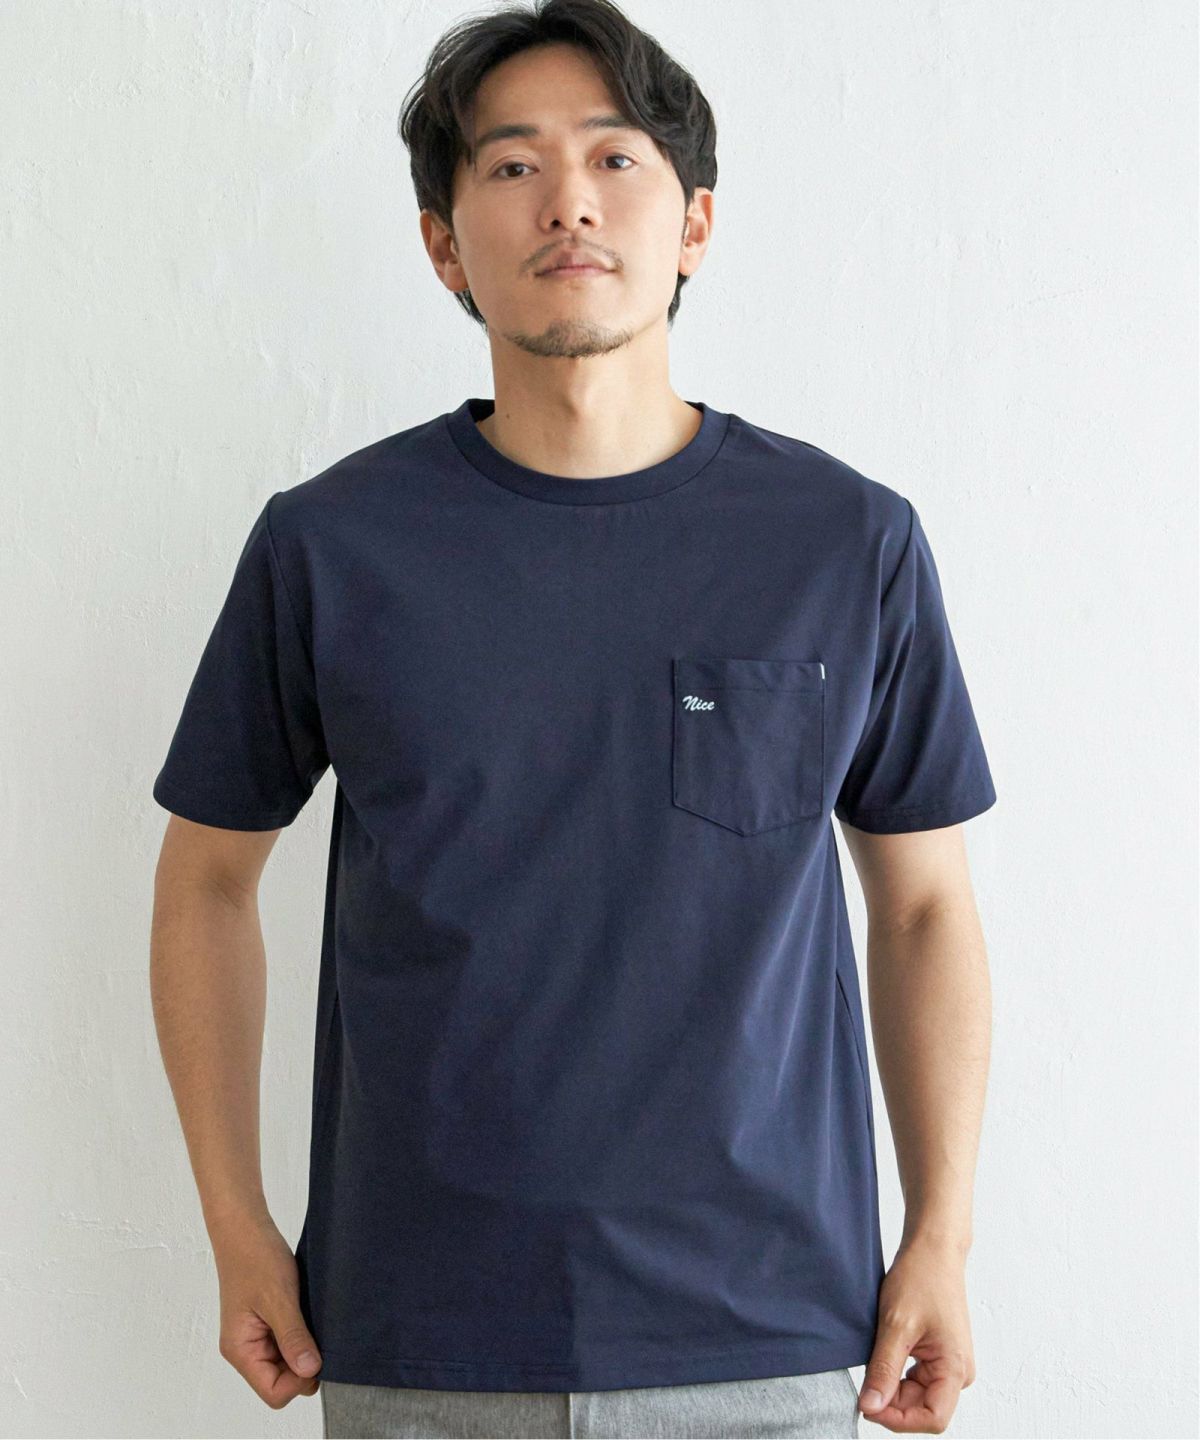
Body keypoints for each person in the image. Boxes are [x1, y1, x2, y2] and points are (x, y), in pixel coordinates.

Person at [148, 2, 997, 1436]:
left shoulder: (844, 541)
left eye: (615, 158)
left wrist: (941, 1238)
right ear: (444, 245)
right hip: (421, 1335)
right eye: (512, 166)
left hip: (769, 1331)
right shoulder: (334, 545)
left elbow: (922, 907)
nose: (571, 203)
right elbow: (205, 885)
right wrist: (237, 1227)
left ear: (694, 223)